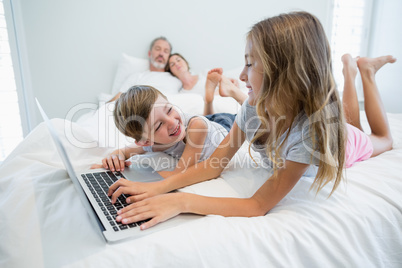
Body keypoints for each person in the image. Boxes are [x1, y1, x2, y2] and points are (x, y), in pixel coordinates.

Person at [106, 12, 395, 230]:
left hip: (340, 140)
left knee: (380, 138)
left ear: (283, 74)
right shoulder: (251, 109)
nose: (242, 76)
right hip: (324, 122)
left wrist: (179, 202)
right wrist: (156, 187)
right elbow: (212, 164)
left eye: (250, 64)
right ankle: (351, 72)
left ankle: (363, 73)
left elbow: (257, 205)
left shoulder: (311, 135)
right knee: (351, 123)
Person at [92, 85, 236, 180]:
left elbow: (179, 174)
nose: (172, 122)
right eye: (159, 125)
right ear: (146, 141)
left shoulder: (196, 127)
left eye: (169, 109)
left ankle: (232, 93)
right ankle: (209, 102)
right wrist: (113, 161)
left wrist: (129, 179)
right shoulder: (151, 144)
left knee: (250, 115)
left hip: (223, 126)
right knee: (204, 120)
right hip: (204, 125)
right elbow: (122, 152)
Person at [165, 53, 248, 115]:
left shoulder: (205, 74)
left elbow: (229, 82)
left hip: (221, 96)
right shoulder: (183, 95)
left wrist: (232, 82)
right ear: (171, 72)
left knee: (225, 86)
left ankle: (215, 95)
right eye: (172, 64)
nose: (176, 64)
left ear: (186, 62)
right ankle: (210, 98)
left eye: (178, 60)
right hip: (210, 107)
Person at [108, 37, 181, 102]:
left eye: (166, 51)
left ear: (169, 56)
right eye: (157, 49)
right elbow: (115, 101)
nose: (161, 54)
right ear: (149, 53)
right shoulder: (136, 77)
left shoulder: (177, 79)